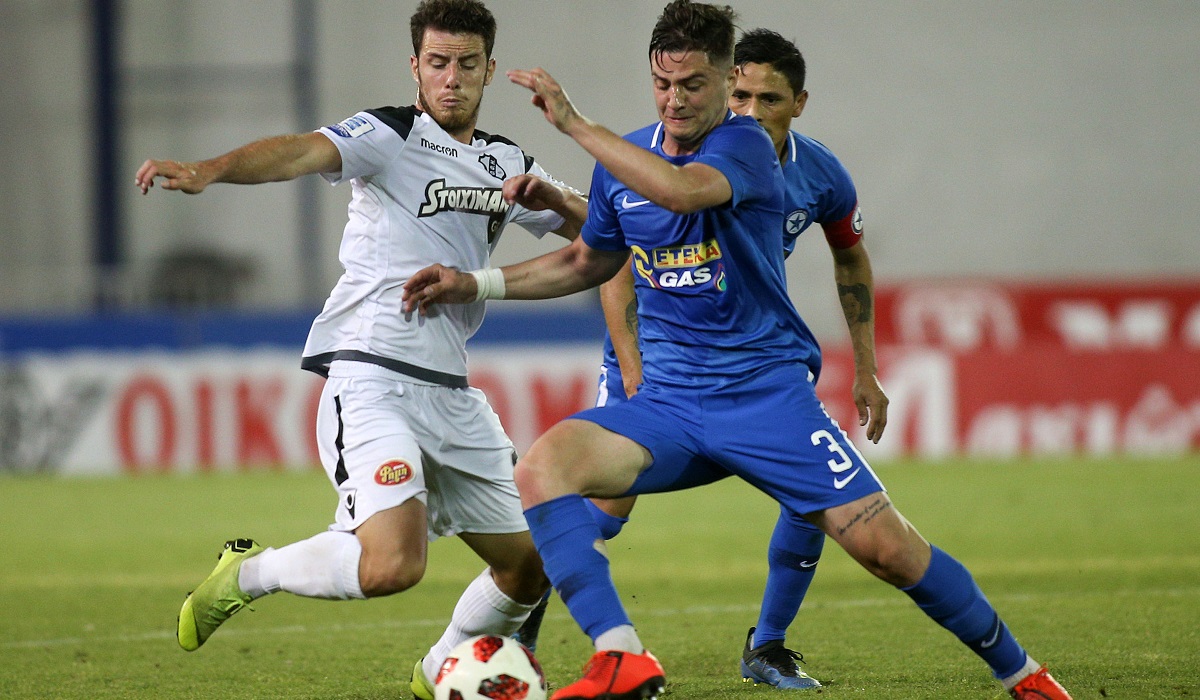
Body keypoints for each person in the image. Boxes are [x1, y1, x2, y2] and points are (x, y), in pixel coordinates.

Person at [402, 2, 1073, 699]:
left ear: (727, 81)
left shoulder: (746, 147)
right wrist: (473, 281)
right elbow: (585, 264)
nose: (675, 99)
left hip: (762, 396)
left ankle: (1025, 676)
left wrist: (575, 124)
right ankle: (618, 654)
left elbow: (683, 193)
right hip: (667, 401)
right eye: (663, 84)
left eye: (693, 84)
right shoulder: (623, 161)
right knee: (543, 470)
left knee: (889, 550)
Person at [134, 1, 586, 697]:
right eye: (438, 63)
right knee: (392, 566)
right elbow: (299, 150)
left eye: (467, 64)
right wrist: (210, 169)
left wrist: (560, 197)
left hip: (451, 392)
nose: (452, 78)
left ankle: (441, 670)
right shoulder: (390, 134)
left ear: (490, 69)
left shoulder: (505, 163)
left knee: (531, 565)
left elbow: (597, 235)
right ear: (416, 67)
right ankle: (248, 574)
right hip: (373, 377)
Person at [511, 27, 888, 691]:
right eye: (740, 95)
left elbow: (851, 256)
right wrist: (633, 367)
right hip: (655, 356)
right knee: (602, 509)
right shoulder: (681, 157)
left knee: (811, 495)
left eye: (770, 99)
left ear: (799, 104)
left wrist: (866, 367)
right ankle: (519, 631)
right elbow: (617, 256)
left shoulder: (818, 173)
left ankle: (768, 646)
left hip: (746, 364)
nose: (750, 111)